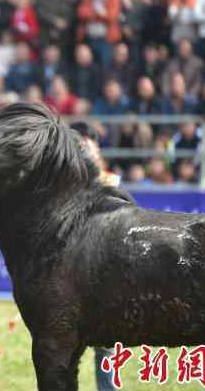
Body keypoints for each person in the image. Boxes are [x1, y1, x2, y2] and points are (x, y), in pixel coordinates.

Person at [70, 121, 118, 391]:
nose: (84, 148)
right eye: (79, 143)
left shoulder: (110, 182)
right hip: (72, 276)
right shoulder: (63, 185)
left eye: (88, 142)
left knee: (106, 345)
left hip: (103, 274)